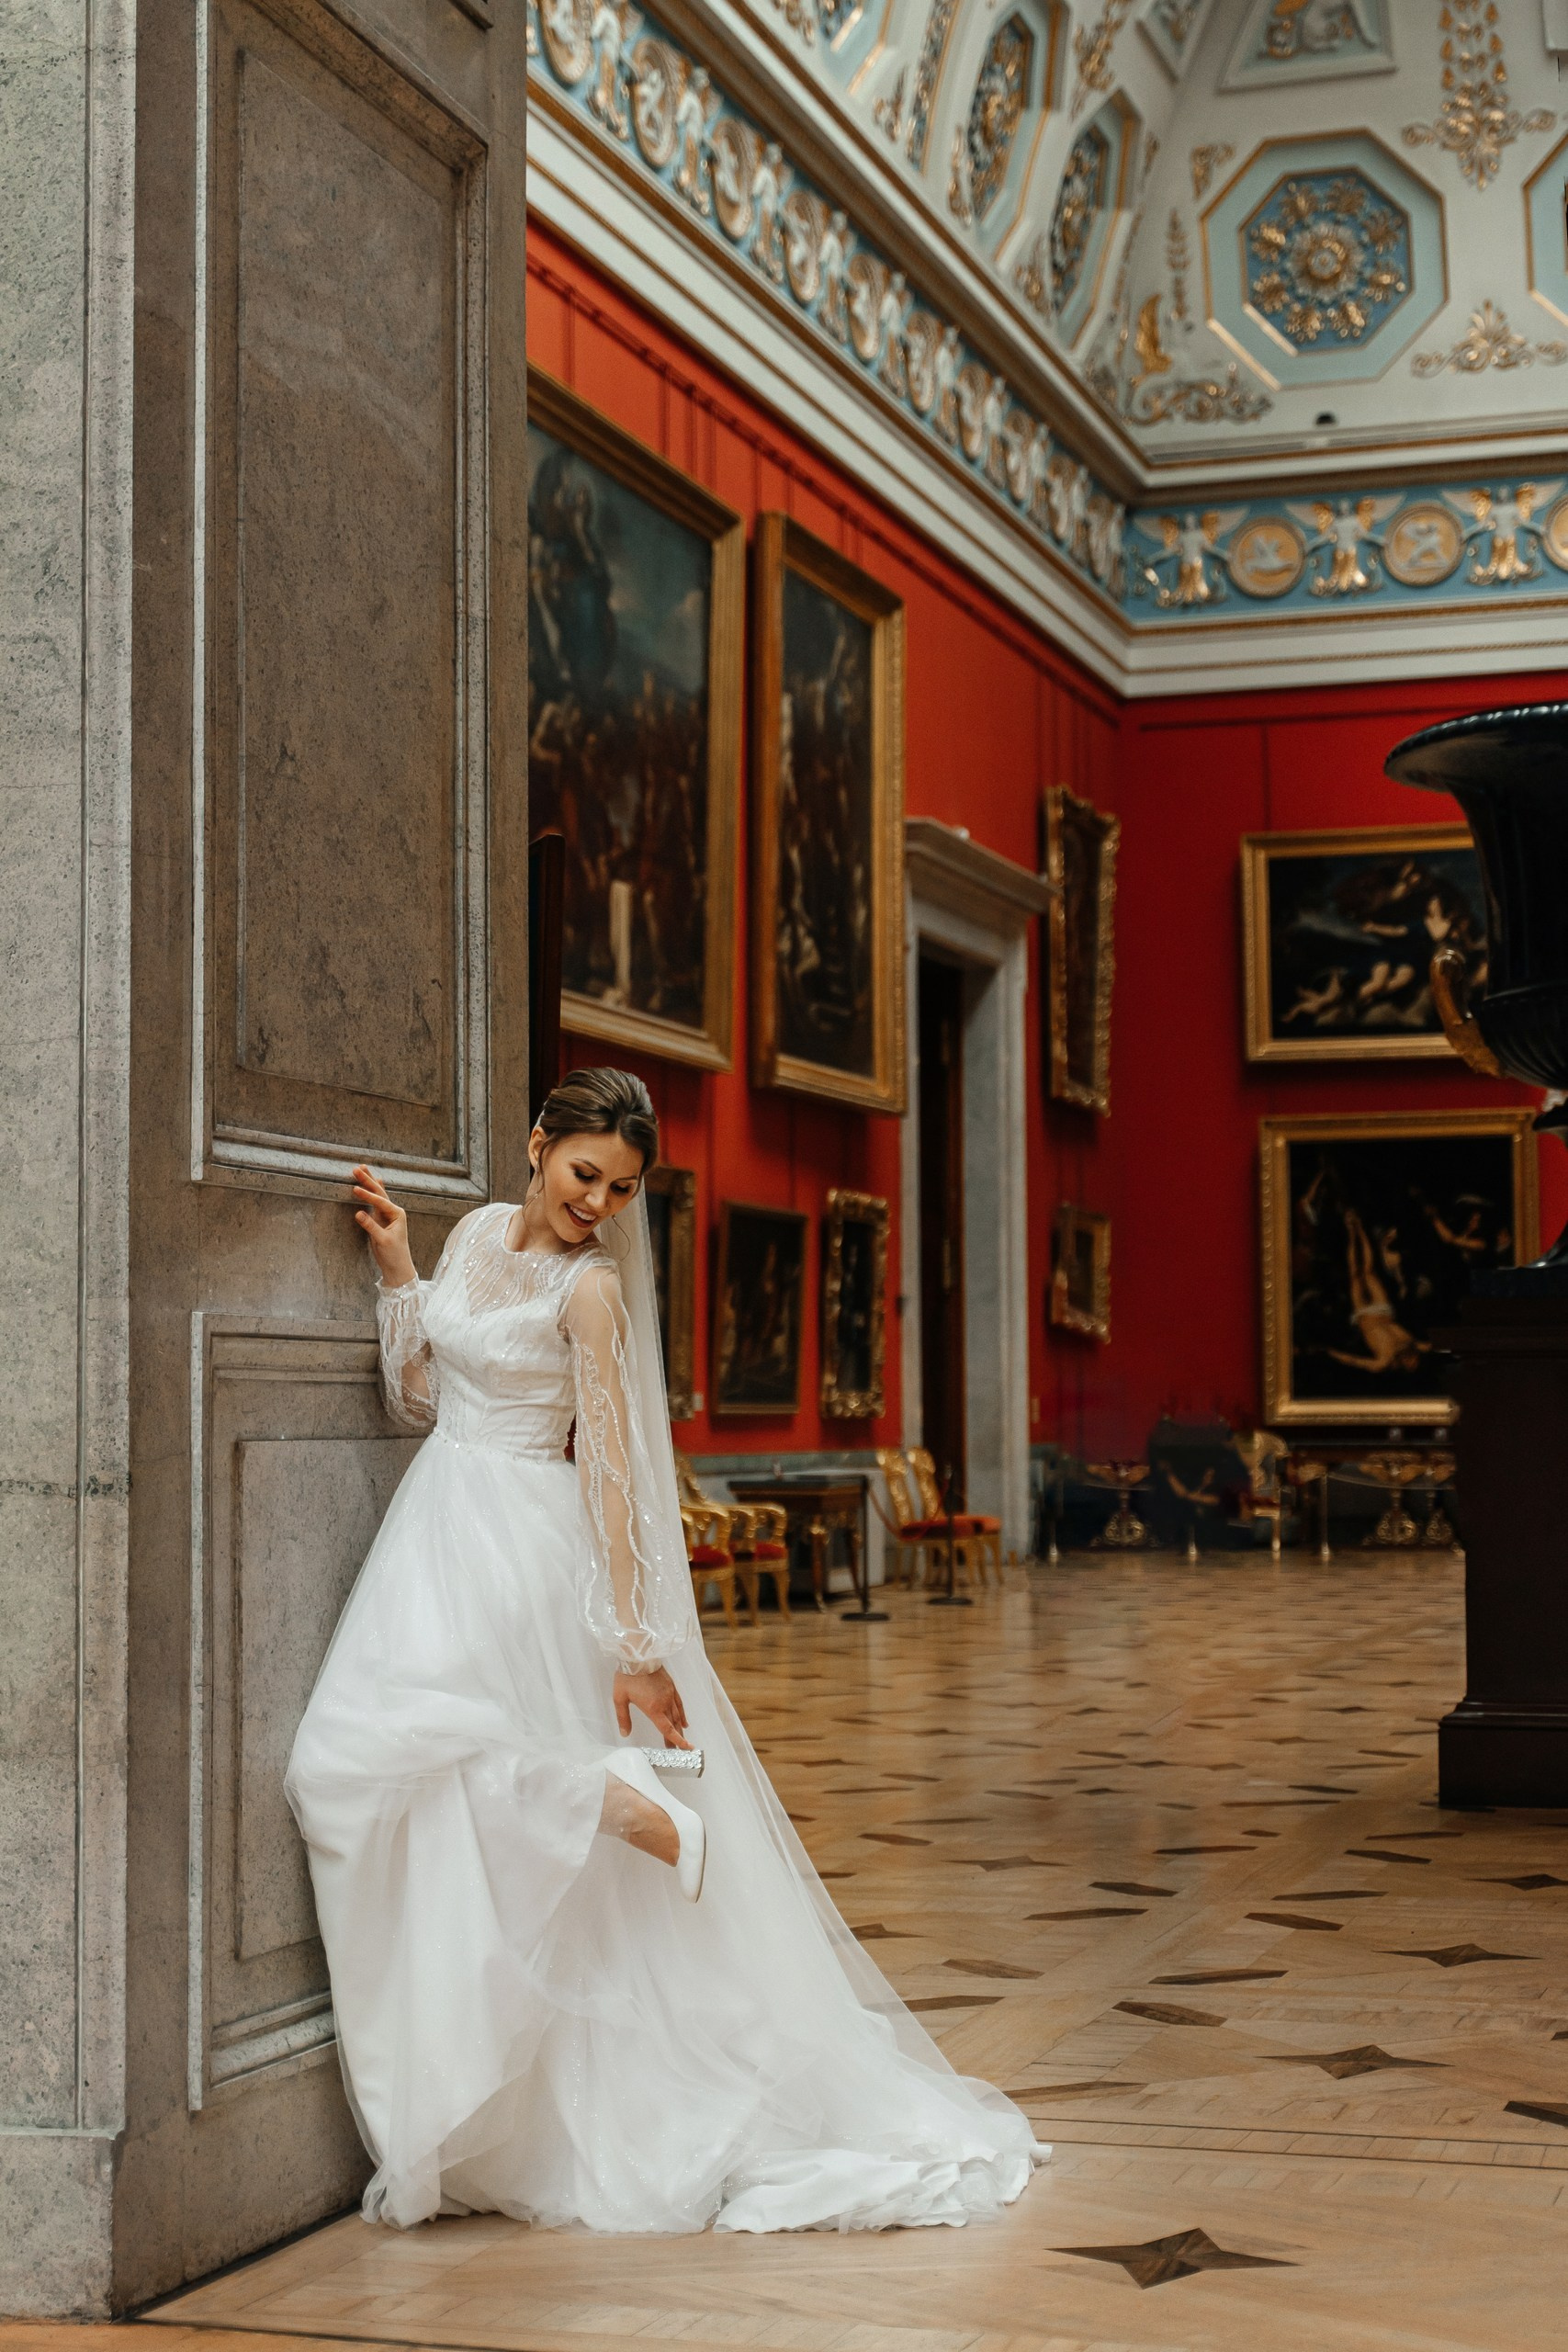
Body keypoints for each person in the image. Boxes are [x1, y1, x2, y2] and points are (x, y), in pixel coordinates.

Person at [286, 1069, 1043, 2234]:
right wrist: (400, 1266)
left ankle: (619, 1796)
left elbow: (616, 1472)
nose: (600, 1201)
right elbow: (424, 1394)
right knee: (348, 1767)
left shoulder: (593, 1296)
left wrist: (636, 1646)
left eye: (623, 1188)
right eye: (586, 1173)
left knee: (413, 1754)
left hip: (526, 1549)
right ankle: (593, 1809)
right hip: (439, 1528)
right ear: (538, 1145)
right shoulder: (477, 1233)